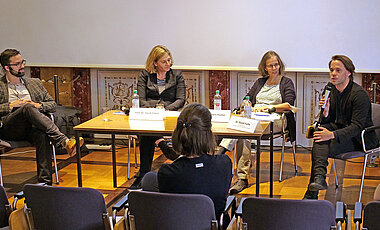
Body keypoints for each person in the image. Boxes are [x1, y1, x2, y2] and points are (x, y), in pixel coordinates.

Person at [0, 49, 84, 185]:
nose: (22, 66)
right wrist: (11, 105)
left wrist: (37, 105)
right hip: (10, 129)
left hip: (32, 128)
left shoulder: (34, 83)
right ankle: (63, 140)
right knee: (26, 108)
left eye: (22, 62)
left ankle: (45, 184)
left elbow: (52, 104)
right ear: (7, 68)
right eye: (17, 64)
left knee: (43, 134)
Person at [218, 51, 296, 194]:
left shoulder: (286, 82)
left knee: (244, 128)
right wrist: (246, 102)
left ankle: (220, 154)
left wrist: (269, 108)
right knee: (242, 128)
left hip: (276, 119)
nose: (274, 68)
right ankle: (242, 177)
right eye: (270, 66)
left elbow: (289, 105)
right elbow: (248, 97)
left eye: (276, 64)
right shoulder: (260, 82)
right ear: (264, 68)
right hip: (255, 118)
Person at [303, 55, 378, 199]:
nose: (333, 74)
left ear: (348, 72)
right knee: (319, 136)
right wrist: (325, 113)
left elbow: (356, 126)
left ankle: (313, 190)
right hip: (341, 132)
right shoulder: (330, 89)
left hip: (360, 138)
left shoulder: (359, 94)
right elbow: (328, 121)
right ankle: (318, 181)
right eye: (331, 70)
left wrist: (331, 135)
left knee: (320, 146)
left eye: (338, 70)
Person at [141, 103, 232, 220]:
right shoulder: (224, 164)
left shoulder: (167, 172)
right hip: (213, 225)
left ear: (178, 134)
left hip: (176, 225)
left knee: (149, 179)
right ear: (208, 134)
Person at [130, 45, 186, 189]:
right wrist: (155, 110)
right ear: (155, 63)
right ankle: (161, 143)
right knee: (146, 128)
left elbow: (181, 99)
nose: (168, 64)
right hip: (150, 114)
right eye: (164, 62)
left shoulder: (177, 75)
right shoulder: (145, 75)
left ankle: (143, 174)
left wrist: (163, 109)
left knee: (146, 132)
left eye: (169, 60)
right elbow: (140, 99)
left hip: (170, 115)